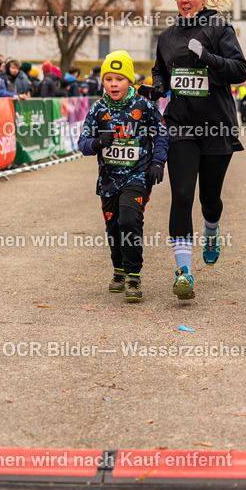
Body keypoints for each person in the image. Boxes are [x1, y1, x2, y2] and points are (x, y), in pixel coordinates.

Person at [140, 0, 246, 300]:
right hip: (180, 125)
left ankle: (211, 230)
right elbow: (161, 72)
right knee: (182, 195)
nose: (184, 0)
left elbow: (240, 71)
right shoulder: (166, 37)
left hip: (216, 125)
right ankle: (183, 272)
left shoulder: (220, 28)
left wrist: (208, 58)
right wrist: (156, 88)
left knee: (209, 200)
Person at [78, 51, 168, 302]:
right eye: (108, 79)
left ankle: (133, 275)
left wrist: (158, 162)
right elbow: (82, 143)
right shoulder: (98, 108)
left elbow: (162, 133)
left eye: (119, 79)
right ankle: (118, 269)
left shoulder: (144, 105)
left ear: (130, 81)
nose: (114, 84)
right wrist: (97, 143)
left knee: (129, 220)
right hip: (108, 180)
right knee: (114, 226)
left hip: (138, 176)